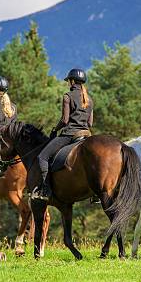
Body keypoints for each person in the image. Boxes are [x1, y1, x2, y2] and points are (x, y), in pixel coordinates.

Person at [36, 68, 93, 199]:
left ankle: (45, 189)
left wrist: (55, 129)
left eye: (69, 81)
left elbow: (65, 120)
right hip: (86, 133)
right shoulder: (89, 99)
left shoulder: (67, 96)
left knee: (42, 157)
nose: (68, 83)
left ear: (72, 81)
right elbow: (90, 123)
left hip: (70, 134)